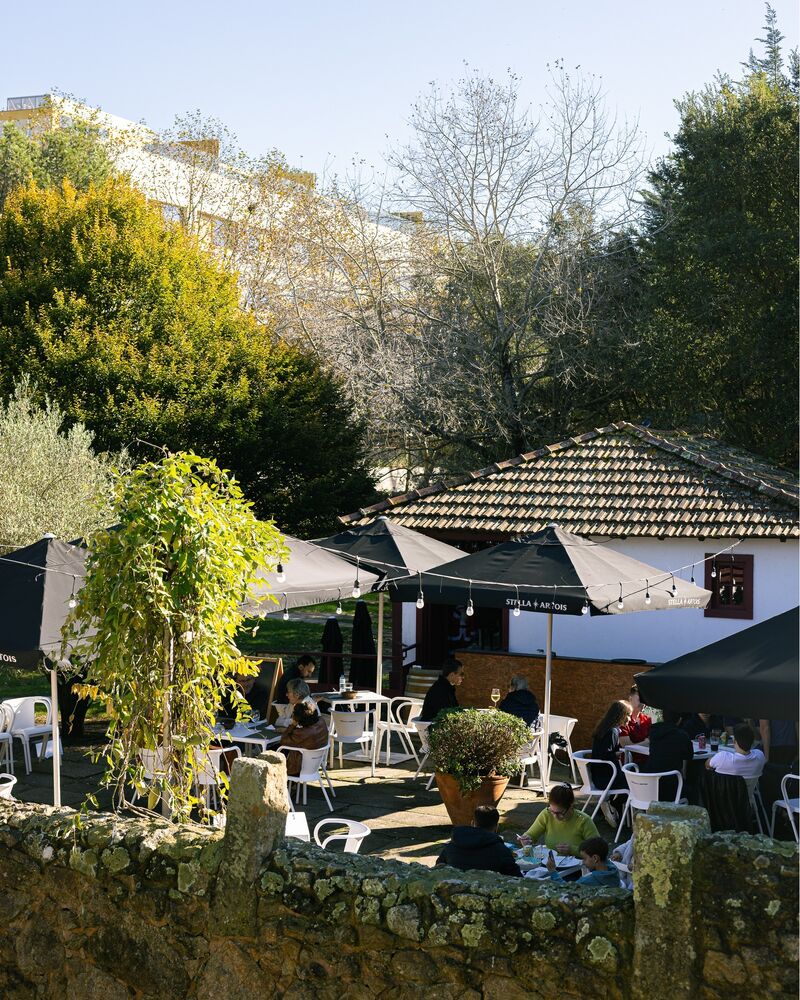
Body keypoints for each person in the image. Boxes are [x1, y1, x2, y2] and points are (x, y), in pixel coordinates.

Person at [436, 805, 521, 877]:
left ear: (472, 823)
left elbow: (438, 868)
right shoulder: (501, 851)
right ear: (496, 827)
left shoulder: (452, 845)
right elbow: (517, 878)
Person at [518, 784, 599, 857]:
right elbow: (531, 834)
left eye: (560, 813)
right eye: (552, 811)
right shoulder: (547, 814)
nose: (555, 816)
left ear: (571, 806)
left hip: (579, 866)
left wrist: (572, 850)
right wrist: (526, 839)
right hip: (551, 864)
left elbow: (597, 850)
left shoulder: (583, 820)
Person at [590, 700, 632, 826]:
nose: (630, 719)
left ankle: (607, 809)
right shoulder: (612, 732)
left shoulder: (604, 728)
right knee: (633, 784)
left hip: (598, 775)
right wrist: (616, 754)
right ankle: (613, 805)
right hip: (607, 778)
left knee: (628, 779)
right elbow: (604, 755)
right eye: (628, 715)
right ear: (620, 715)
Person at [642, 709, 693, 802]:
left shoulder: (654, 732)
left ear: (662, 717)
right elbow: (688, 757)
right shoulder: (682, 735)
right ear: (680, 720)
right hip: (671, 787)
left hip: (649, 785)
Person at [546, 836, 621, 888]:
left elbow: (566, 889)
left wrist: (553, 872)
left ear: (595, 858)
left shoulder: (587, 881)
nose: (583, 862)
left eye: (584, 859)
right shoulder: (613, 869)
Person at [279, 701, 329, 777]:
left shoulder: (302, 733)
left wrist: (292, 725)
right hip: (315, 766)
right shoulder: (321, 722)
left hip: (299, 769)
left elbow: (283, 740)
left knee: (274, 749)